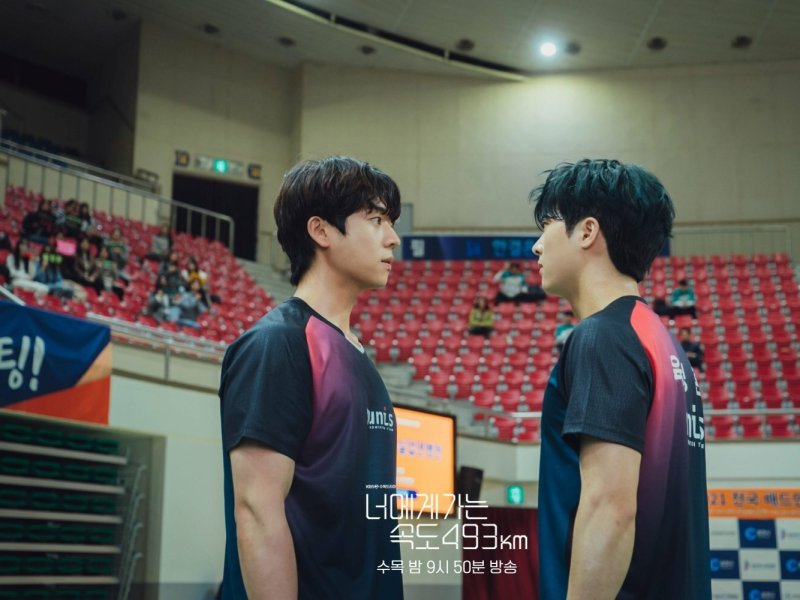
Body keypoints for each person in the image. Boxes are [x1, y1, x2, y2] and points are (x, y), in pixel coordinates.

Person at [219, 156, 404, 599]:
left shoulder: (356, 353)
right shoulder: (277, 344)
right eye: (376, 220)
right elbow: (258, 512)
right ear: (321, 231)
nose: (393, 238)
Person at [530, 159, 710, 599]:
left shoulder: (603, 337)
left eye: (547, 225)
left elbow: (609, 509)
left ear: (587, 232)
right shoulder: (661, 340)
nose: (536, 246)